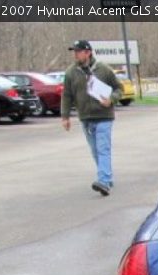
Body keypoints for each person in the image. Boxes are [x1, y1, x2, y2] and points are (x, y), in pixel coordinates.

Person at [60, 40, 123, 196]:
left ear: (88, 52)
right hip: (86, 118)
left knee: (103, 149)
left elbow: (118, 88)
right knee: (95, 151)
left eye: (78, 51)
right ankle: (106, 178)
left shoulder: (103, 70)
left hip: (103, 116)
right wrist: (65, 116)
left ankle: (103, 181)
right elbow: (66, 95)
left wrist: (112, 99)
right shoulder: (71, 73)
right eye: (74, 51)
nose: (75, 54)